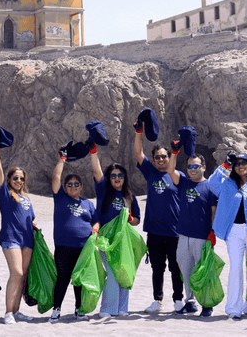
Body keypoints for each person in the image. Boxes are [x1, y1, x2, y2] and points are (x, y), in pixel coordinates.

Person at [208, 152, 247, 320]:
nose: (241, 165)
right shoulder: (227, 184)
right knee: (235, 268)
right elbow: (211, 183)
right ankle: (234, 309)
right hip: (233, 232)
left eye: (244, 162)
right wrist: (224, 165)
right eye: (237, 163)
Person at [133, 127, 184, 313]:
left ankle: (178, 300)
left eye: (164, 156)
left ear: (170, 158)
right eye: (157, 157)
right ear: (154, 160)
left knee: (176, 268)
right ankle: (158, 300)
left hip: (175, 232)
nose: (161, 160)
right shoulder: (151, 173)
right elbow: (138, 153)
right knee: (157, 268)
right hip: (154, 231)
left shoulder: (178, 176)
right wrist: (139, 132)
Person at [0, 139, 38, 325]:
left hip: (28, 240)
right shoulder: (5, 194)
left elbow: (31, 217)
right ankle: (8, 312)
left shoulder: (26, 197)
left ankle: (16, 311)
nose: (19, 181)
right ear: (9, 180)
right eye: (15, 178)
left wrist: (36, 224)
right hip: (11, 239)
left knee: (23, 275)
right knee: (16, 272)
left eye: (22, 178)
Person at [89, 142, 141, 318]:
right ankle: (107, 309)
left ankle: (122, 308)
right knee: (111, 273)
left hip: (124, 240)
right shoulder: (104, 190)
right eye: (113, 176)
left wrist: (129, 219)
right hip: (106, 239)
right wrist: (93, 151)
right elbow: (97, 171)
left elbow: (136, 221)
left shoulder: (129, 196)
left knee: (124, 270)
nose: (117, 178)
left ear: (124, 177)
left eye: (120, 175)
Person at [167, 147, 217, 317]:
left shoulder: (210, 186)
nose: (192, 170)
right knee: (185, 270)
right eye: (189, 167)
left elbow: (213, 212)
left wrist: (213, 233)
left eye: (195, 166)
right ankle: (190, 302)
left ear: (203, 167)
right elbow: (171, 170)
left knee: (202, 272)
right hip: (183, 235)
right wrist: (174, 153)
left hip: (202, 237)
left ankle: (206, 304)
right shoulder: (184, 182)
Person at [48, 148, 95, 323]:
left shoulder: (88, 204)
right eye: (69, 184)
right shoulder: (60, 198)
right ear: (65, 187)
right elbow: (56, 178)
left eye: (77, 184)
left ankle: (79, 309)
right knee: (63, 278)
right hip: (63, 246)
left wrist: (95, 230)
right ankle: (56, 310)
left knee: (79, 280)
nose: (73, 186)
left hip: (83, 248)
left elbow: (95, 221)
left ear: (81, 187)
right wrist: (62, 159)